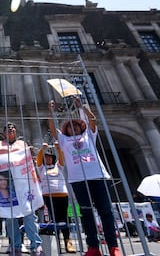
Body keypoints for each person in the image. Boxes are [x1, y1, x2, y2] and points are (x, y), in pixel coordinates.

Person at [47, 98, 121, 256]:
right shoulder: (64, 140)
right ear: (65, 130)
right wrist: (51, 112)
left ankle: (113, 246)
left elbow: (92, 120)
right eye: (69, 126)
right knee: (86, 213)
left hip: (98, 177)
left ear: (81, 127)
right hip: (78, 180)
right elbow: (52, 127)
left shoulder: (89, 135)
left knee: (106, 211)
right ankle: (93, 247)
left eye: (75, 125)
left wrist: (84, 107)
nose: (72, 128)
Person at [0, 122, 45, 256]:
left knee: (29, 214)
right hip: (6, 182)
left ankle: (36, 245)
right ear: (4, 133)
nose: (11, 131)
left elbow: (29, 161)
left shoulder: (22, 144)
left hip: (22, 182)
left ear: (15, 132)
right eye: (8, 129)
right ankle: (15, 245)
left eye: (13, 129)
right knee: (10, 216)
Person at [36, 142, 76, 253]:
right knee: (53, 219)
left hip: (62, 194)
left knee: (64, 218)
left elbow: (62, 157)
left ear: (53, 158)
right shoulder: (41, 169)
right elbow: (38, 161)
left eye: (49, 157)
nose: (48, 159)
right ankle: (57, 242)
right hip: (48, 196)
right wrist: (42, 150)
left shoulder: (59, 166)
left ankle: (68, 242)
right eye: (46, 157)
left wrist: (58, 148)